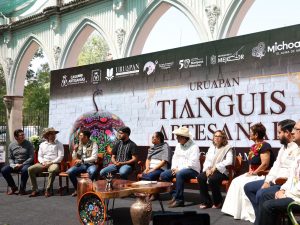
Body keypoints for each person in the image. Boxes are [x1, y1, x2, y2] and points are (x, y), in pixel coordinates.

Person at [244, 119, 300, 223]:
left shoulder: (297, 149)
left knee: (261, 194)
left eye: (279, 132)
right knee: (248, 187)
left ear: (286, 133)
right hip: (277, 182)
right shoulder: (284, 148)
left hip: (282, 182)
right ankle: (260, 217)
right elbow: (275, 166)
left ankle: (262, 219)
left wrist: (284, 190)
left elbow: (292, 176)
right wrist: (267, 181)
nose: (277, 135)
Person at [221, 122, 274, 222]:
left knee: (243, 184)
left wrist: (255, 172)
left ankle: (253, 212)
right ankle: (235, 211)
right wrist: (250, 170)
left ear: (256, 134)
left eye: (250, 132)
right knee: (236, 181)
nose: (249, 134)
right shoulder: (254, 146)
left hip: (261, 174)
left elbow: (265, 164)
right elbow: (251, 162)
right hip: (253, 172)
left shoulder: (265, 146)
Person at [160, 126, 200, 208]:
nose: (176, 138)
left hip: (192, 170)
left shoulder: (194, 147)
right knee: (164, 175)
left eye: (178, 137)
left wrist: (179, 169)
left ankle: (179, 200)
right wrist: (174, 168)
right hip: (179, 169)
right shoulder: (178, 145)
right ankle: (175, 195)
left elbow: (192, 163)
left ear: (184, 137)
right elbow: (175, 158)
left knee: (180, 174)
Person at [198, 130, 233, 209]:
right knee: (201, 177)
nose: (216, 138)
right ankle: (206, 202)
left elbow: (229, 161)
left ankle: (218, 202)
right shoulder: (212, 147)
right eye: (215, 136)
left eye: (219, 136)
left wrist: (216, 167)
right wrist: (207, 169)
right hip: (210, 170)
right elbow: (207, 160)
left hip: (222, 172)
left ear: (223, 138)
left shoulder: (227, 148)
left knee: (213, 179)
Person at [28, 127, 64, 197]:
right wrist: (43, 162)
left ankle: (48, 189)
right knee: (30, 169)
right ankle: (35, 189)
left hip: (54, 162)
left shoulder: (59, 144)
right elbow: (40, 156)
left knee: (53, 170)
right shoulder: (42, 144)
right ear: (47, 135)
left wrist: (51, 162)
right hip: (43, 163)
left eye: (54, 134)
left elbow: (60, 157)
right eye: (51, 134)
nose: (53, 135)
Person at [1, 129, 34, 195]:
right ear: (16, 137)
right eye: (21, 135)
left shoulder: (29, 144)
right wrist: (13, 164)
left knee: (25, 170)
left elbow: (31, 157)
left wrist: (22, 164)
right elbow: (10, 157)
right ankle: (13, 187)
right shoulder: (11, 145)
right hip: (15, 164)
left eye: (23, 134)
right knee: (4, 170)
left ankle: (22, 188)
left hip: (26, 164)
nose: (23, 136)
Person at [66, 130, 98, 197]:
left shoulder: (94, 144)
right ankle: (77, 189)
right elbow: (74, 157)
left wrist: (82, 160)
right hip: (81, 165)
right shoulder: (79, 144)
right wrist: (75, 150)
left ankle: (87, 189)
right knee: (70, 172)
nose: (79, 137)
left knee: (93, 171)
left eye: (81, 135)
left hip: (90, 164)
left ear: (86, 137)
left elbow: (94, 158)